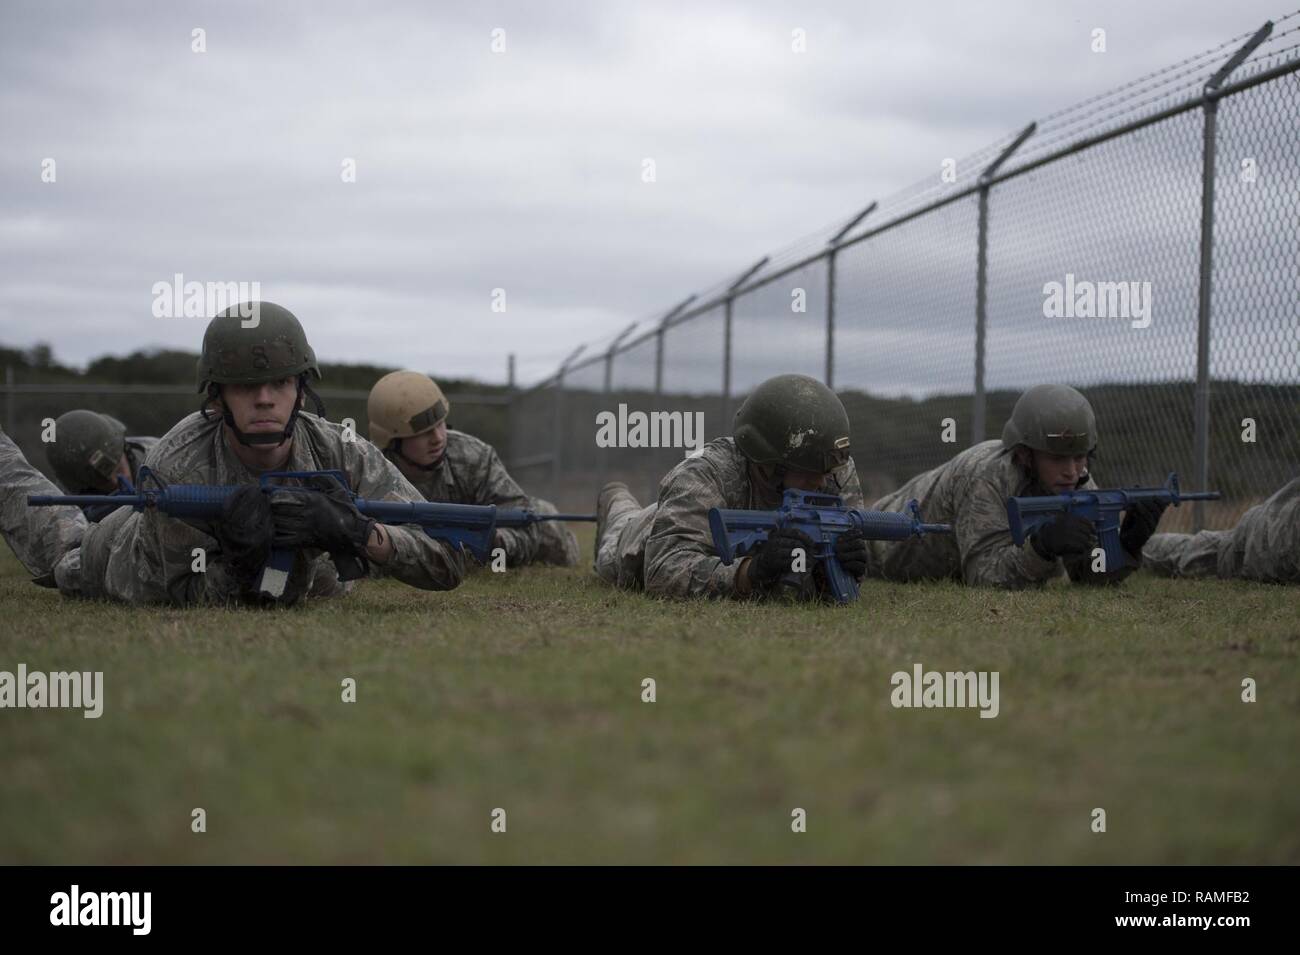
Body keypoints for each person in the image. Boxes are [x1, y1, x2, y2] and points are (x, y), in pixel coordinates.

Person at [0, 302, 465, 604]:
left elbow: (446, 559)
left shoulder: (338, 449)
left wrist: (361, 532)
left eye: (280, 383)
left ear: (301, 392)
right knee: (65, 550)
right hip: (117, 556)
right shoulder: (178, 464)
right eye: (245, 387)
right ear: (216, 397)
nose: (264, 399)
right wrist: (243, 562)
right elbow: (173, 592)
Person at [593, 373, 868, 600]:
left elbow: (828, 576)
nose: (822, 482)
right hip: (644, 535)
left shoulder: (832, 466)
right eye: (808, 472)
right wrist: (750, 572)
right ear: (769, 463)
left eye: (826, 471)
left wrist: (842, 565)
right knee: (620, 530)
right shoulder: (703, 475)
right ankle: (615, 498)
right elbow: (664, 570)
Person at [864, 384, 1164, 588]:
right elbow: (983, 577)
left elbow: (1087, 574)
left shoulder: (1076, 482)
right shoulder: (986, 476)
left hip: (945, 563)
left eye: (1079, 457)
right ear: (1025, 454)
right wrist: (1042, 548)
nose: (1072, 471)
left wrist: (1126, 546)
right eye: (1058, 458)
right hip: (878, 546)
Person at [367, 370, 579, 567]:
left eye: (440, 424)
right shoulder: (369, 473)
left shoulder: (473, 457)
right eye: (424, 432)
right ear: (392, 440)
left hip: (499, 552)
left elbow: (523, 526)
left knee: (545, 517)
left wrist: (493, 542)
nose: (438, 438)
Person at [1142, 478, 1299, 583]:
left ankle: (1135, 546)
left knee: (1195, 550)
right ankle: (1132, 546)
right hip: (1252, 543)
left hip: (1259, 538)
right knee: (1190, 552)